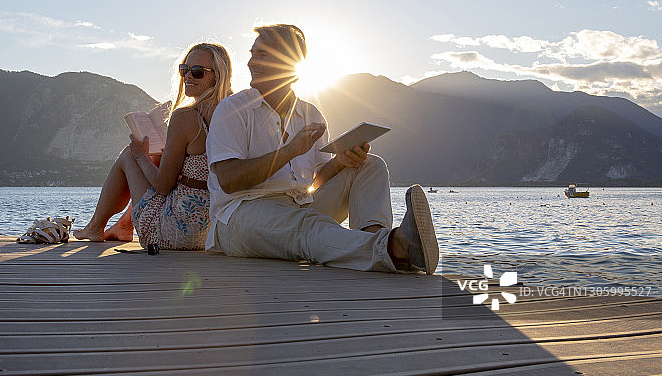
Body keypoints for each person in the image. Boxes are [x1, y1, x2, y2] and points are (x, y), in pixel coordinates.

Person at [205, 24, 439, 274]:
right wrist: (289, 152)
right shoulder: (232, 109)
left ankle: (377, 239)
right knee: (306, 225)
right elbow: (228, 181)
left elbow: (314, 182)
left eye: (261, 54)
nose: (251, 62)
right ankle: (397, 247)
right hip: (240, 216)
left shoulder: (310, 113)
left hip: (298, 204)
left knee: (371, 165)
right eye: (252, 54)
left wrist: (341, 162)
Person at [74, 42, 233, 250]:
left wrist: (141, 156)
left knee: (130, 155)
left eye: (197, 71)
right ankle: (123, 225)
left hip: (174, 233)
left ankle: (95, 227)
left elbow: (163, 185)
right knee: (156, 160)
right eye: (184, 69)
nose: (187, 76)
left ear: (218, 76)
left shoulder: (186, 117)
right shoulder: (235, 112)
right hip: (212, 232)